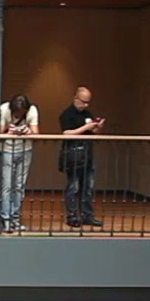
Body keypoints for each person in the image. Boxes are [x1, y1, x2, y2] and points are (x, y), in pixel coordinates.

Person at [59, 87, 105, 227]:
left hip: (88, 154)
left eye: (88, 102)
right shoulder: (67, 114)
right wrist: (86, 128)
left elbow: (94, 134)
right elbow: (66, 133)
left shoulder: (88, 114)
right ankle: (72, 215)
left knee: (88, 187)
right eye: (84, 102)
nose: (86, 105)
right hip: (73, 155)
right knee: (74, 186)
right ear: (76, 99)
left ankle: (87, 215)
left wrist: (97, 128)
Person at [0, 92, 39, 233]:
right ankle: (6, 219)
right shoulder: (4, 109)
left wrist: (28, 132)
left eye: (22, 112)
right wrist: (8, 133)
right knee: (7, 186)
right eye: (17, 112)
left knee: (19, 186)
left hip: (25, 150)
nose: (19, 114)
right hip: (7, 150)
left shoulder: (32, 110)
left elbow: (36, 133)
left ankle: (15, 219)